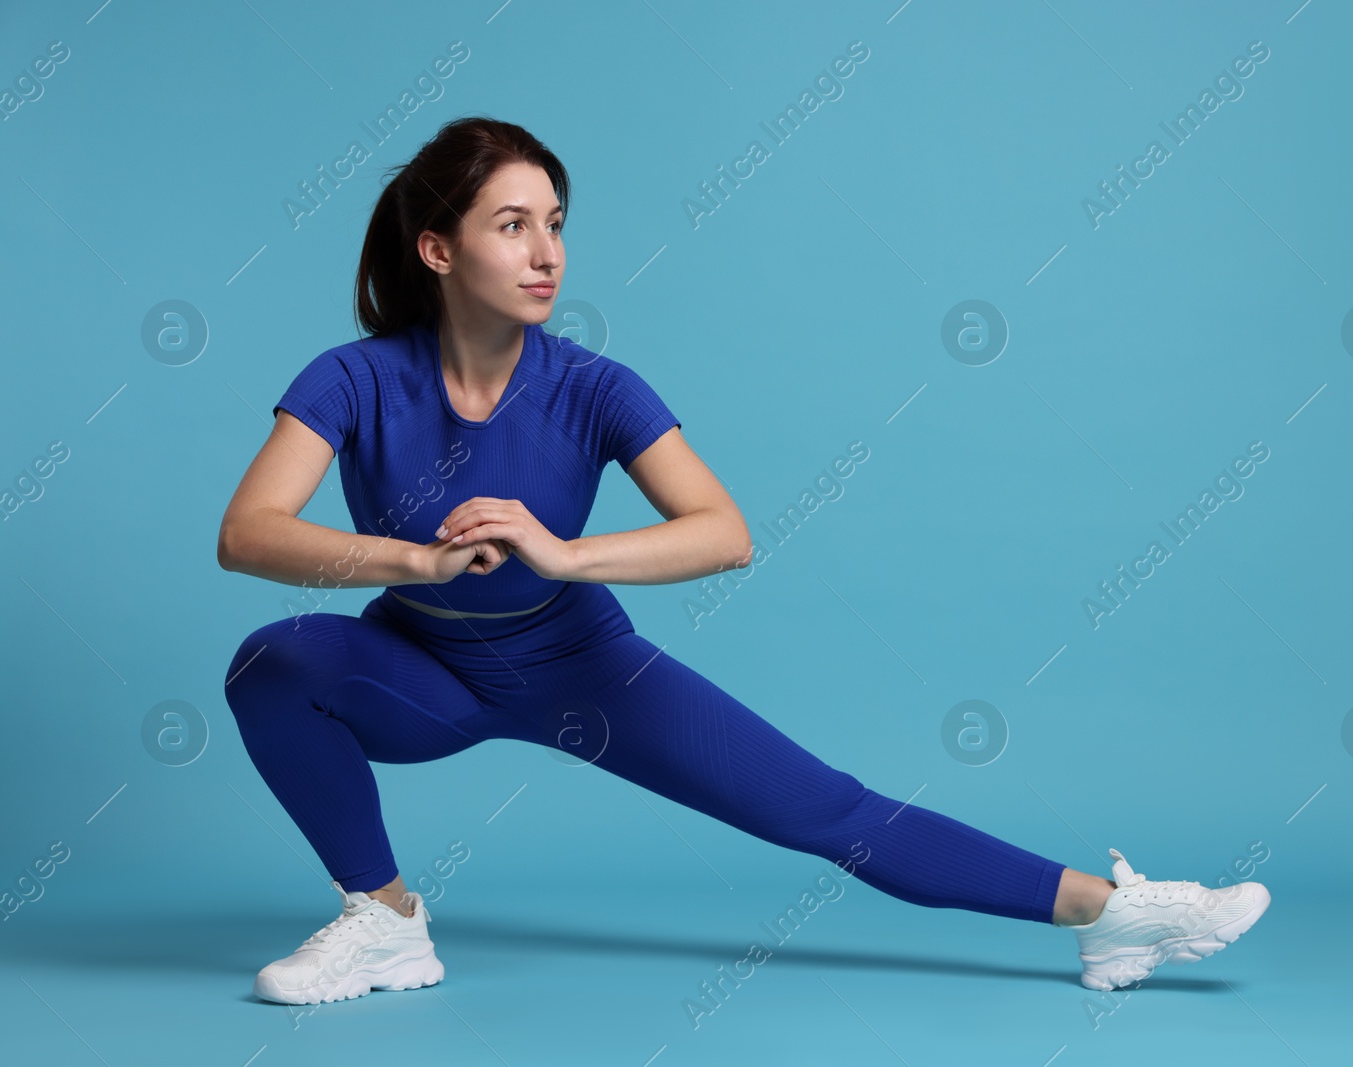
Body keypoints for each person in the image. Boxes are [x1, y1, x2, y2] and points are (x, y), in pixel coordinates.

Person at [217, 116, 1269, 1006]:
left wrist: (563, 552)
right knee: (277, 664)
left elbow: (724, 530)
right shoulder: (354, 379)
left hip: (585, 667)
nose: (547, 253)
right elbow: (249, 530)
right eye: (512, 225)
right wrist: (417, 560)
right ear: (439, 251)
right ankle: (386, 917)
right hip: (425, 674)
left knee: (828, 810)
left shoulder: (594, 385)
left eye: (555, 225)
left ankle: (1111, 911)